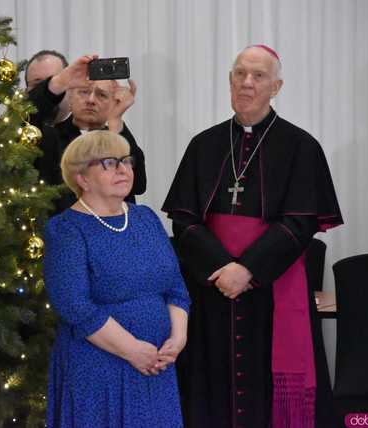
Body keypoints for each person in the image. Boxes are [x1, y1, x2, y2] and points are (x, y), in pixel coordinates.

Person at [162, 45, 343, 428]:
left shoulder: (301, 147)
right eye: (239, 74)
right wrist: (222, 267)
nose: (247, 83)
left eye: (258, 76)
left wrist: (246, 270)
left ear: (275, 86)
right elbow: (184, 220)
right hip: (213, 289)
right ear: (229, 81)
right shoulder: (203, 145)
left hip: (271, 288)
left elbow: (300, 222)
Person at [43, 130, 190, 427]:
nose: (124, 169)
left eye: (126, 161)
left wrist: (178, 338)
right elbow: (75, 307)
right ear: (82, 178)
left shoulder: (146, 218)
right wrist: (133, 350)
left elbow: (176, 288)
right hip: (99, 369)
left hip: (157, 367)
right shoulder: (66, 230)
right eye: (109, 163)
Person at [35, 56, 147, 213]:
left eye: (101, 95)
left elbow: (139, 184)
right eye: (84, 92)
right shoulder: (50, 136)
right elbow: (26, 116)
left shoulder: (118, 134)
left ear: (113, 101)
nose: (91, 100)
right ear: (70, 97)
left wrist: (116, 120)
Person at [25, 49, 71, 125]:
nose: (48, 93)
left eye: (54, 84)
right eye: (38, 85)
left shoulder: (88, 132)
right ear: (26, 93)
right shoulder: (13, 132)